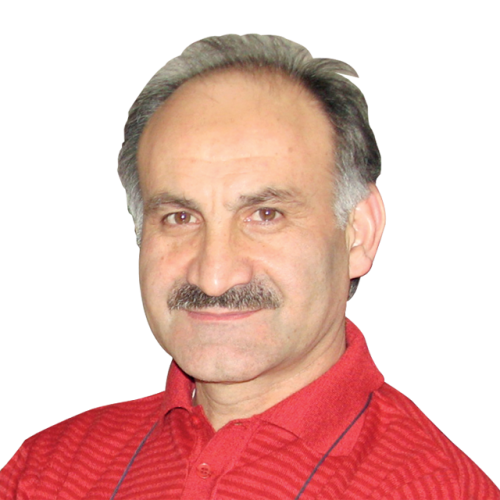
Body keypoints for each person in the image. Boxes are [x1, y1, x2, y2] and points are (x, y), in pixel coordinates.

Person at [1, 33, 498, 500]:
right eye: (180, 217)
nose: (214, 276)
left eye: (265, 215)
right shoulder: (46, 472)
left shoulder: (431, 488)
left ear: (359, 232)